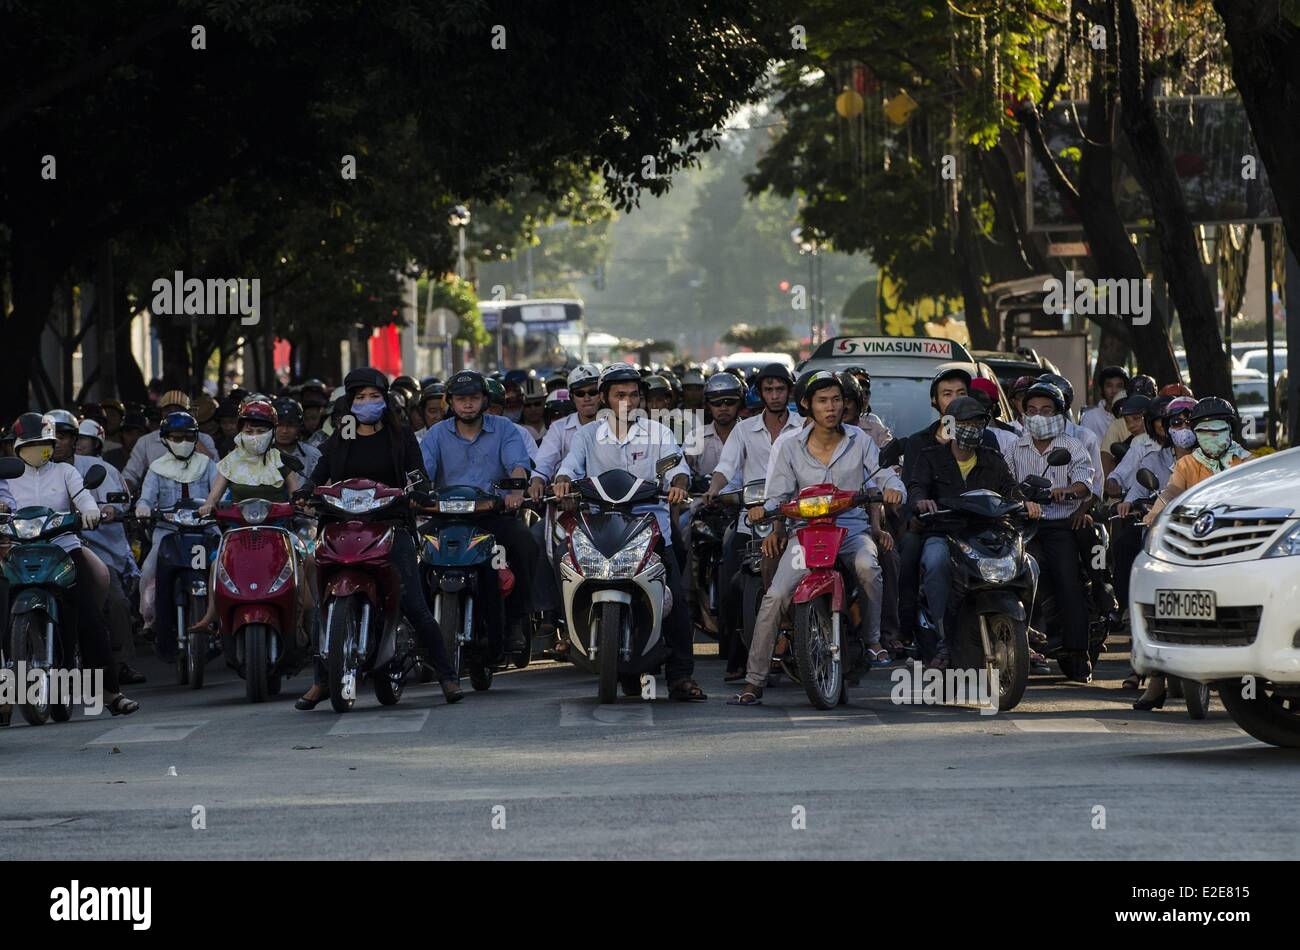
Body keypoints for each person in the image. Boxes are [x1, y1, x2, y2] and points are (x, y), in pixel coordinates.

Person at [730, 371, 900, 705]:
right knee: (776, 595)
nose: (831, 407)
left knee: (868, 565)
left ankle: (873, 640)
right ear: (807, 405)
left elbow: (884, 473)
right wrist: (765, 514)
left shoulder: (860, 440)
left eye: (836, 400)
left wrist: (893, 488)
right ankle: (754, 680)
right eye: (822, 400)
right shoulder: (789, 445)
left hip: (850, 529)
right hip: (805, 533)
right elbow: (776, 495)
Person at [297, 367, 462, 708]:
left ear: (385, 401)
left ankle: (447, 675)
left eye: (374, 397)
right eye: (360, 397)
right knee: (323, 603)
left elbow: (417, 476)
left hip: (391, 526)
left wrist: (419, 493)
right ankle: (320, 679)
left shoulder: (400, 436)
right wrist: (306, 491)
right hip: (340, 526)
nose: (368, 403)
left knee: (414, 603)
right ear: (350, 403)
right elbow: (319, 473)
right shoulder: (340, 437)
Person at [553, 364, 707, 702]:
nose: (627, 400)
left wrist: (679, 484)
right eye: (619, 394)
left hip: (651, 530)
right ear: (605, 397)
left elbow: (676, 467)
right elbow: (569, 467)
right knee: (567, 570)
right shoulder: (587, 435)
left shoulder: (659, 432)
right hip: (601, 529)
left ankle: (681, 676)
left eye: (634, 394)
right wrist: (563, 481)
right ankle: (568, 634)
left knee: (676, 602)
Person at [6, 413, 139, 715]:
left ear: (51, 445)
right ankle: (6, 696)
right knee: (4, 611)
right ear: (16, 448)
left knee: (90, 618)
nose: (35, 449)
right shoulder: (8, 478)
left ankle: (109, 694)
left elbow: (83, 498)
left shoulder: (66, 473)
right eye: (29, 445)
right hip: (20, 552)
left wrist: (89, 511)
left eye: (42, 444)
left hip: (63, 550)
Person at [1132, 396, 1251, 710]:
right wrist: (1155, 513)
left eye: (1218, 429)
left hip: (1236, 550)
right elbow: (1171, 492)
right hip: (1192, 546)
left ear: (1232, 430)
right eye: (1205, 430)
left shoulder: (1247, 463)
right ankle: (1155, 683)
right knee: (1160, 602)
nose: (1212, 435)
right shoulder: (1187, 464)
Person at [909, 396, 1042, 668]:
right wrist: (921, 501)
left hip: (989, 534)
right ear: (952, 426)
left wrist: (1026, 502)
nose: (972, 428)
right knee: (935, 563)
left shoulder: (993, 459)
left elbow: (1011, 492)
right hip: (945, 533)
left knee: (1031, 567)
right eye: (965, 423)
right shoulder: (930, 457)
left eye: (978, 423)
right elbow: (916, 489)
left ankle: (1022, 630)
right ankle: (944, 639)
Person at [422, 370, 538, 660]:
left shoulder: (504, 428)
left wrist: (515, 492)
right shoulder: (436, 433)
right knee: (417, 555)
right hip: (447, 517)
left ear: (485, 400)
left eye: (474, 398)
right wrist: (416, 494)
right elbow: (423, 472)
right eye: (461, 399)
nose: (468, 404)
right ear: (450, 402)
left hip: (493, 515)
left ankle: (515, 622)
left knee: (524, 541)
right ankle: (417, 628)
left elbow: (517, 465)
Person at [702, 364, 802, 680]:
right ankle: (736, 660)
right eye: (768, 390)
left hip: (796, 521)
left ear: (790, 392)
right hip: (752, 522)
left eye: (780, 389)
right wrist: (713, 489)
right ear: (759, 393)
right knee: (731, 584)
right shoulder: (744, 430)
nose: (774, 396)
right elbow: (726, 466)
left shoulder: (804, 427)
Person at [1003, 382, 1096, 682]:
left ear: (1059, 414)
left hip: (1059, 526)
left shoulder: (1072, 447)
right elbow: (1004, 484)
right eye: (1031, 411)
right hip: (1022, 525)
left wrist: (1064, 491)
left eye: (1045, 411)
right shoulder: (1013, 447)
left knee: (1069, 584)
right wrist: (1018, 498)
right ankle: (1020, 645)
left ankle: (1078, 653)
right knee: (1016, 580)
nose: (1038, 416)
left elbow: (1085, 483)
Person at [134, 411, 218, 664]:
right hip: (168, 533)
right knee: (148, 570)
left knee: (224, 567)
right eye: (176, 437)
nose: (182, 441)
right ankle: (151, 621)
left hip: (206, 530)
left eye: (187, 437)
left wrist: (218, 506)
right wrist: (143, 507)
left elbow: (220, 494)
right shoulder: (156, 469)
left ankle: (223, 622)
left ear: (196, 438)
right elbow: (146, 498)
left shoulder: (208, 465)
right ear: (165, 439)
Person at [67, 417, 145, 685]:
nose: (56, 445)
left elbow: (118, 503)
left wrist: (109, 510)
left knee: (116, 601)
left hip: (93, 546)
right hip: (46, 551)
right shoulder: (29, 473)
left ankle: (121, 662)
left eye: (65, 437)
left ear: (75, 441)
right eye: (47, 441)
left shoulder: (99, 469)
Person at [122, 390, 219, 492]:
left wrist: (192, 435)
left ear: (189, 413)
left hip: (199, 502)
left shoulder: (204, 439)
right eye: (168, 410)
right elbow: (130, 475)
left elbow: (215, 469)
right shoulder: (146, 441)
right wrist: (123, 493)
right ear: (161, 413)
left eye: (178, 410)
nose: (173, 414)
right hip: (157, 503)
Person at [484, 377, 539, 465]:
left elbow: (536, 469)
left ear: (502, 409)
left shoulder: (520, 432)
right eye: (483, 408)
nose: (488, 413)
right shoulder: (459, 434)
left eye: (493, 408)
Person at [271, 396, 322, 475]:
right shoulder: (261, 455)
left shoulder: (313, 455)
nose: (284, 431)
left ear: (299, 427)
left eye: (290, 425)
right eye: (279, 425)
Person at [1081, 365, 1130, 443]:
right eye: (1109, 386)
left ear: (1125, 389)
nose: (1114, 391)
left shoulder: (1132, 416)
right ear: (1102, 388)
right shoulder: (1090, 417)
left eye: (1119, 386)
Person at [519, 377, 548, 444]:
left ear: (544, 403)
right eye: (527, 405)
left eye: (537, 404)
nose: (533, 409)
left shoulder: (553, 426)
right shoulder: (516, 430)